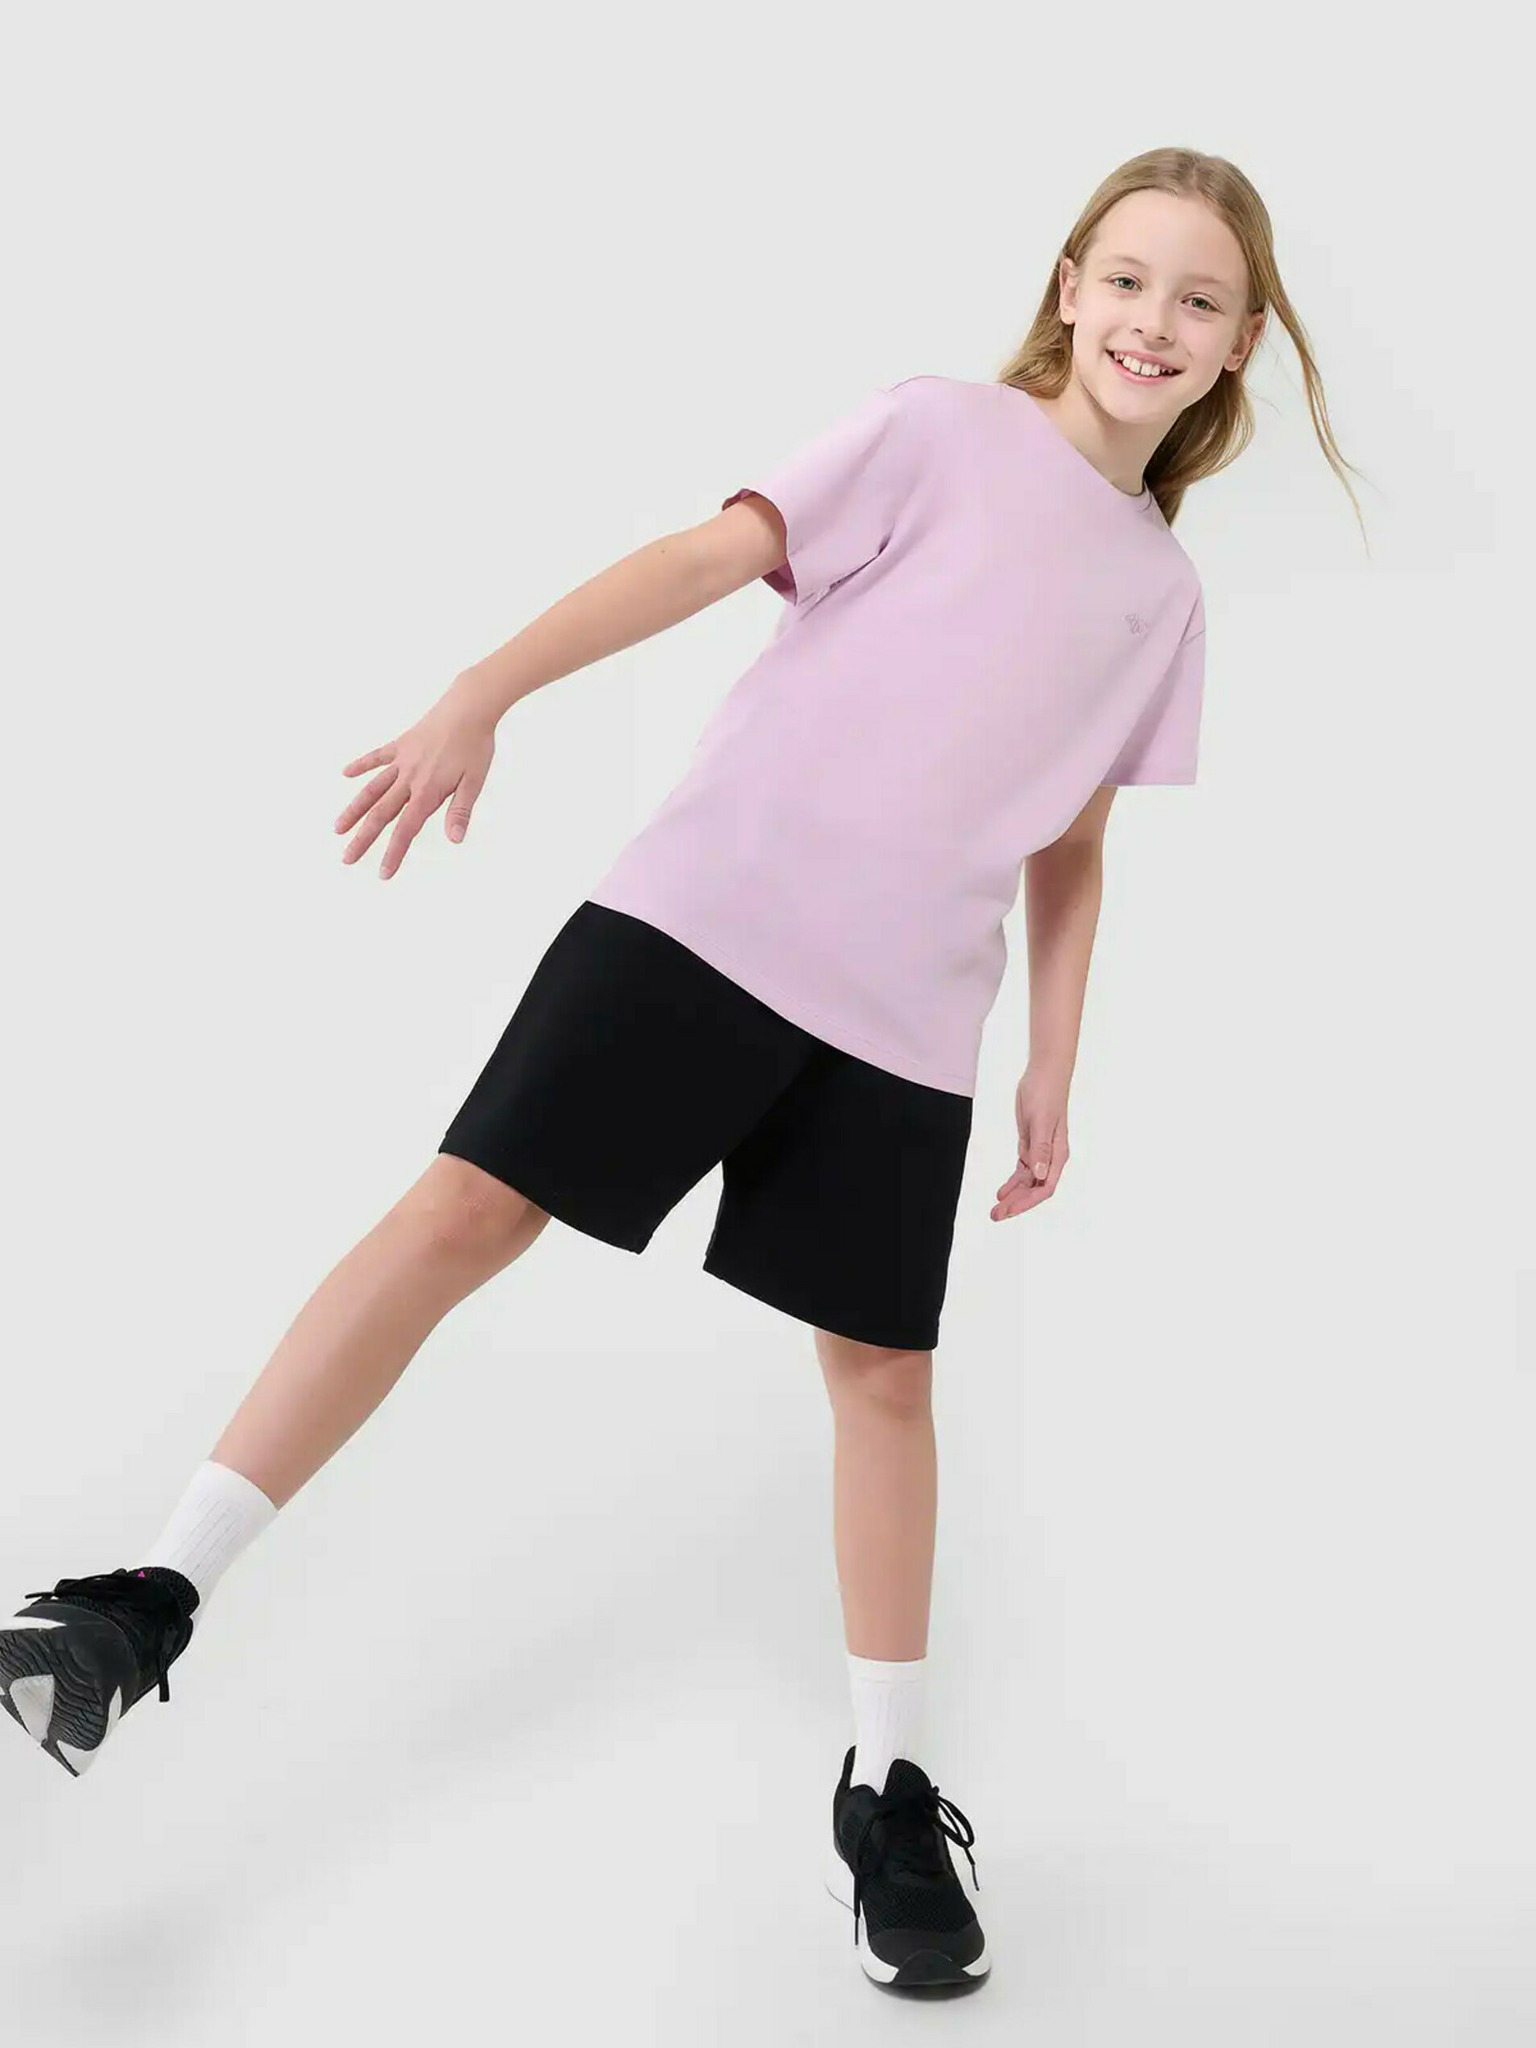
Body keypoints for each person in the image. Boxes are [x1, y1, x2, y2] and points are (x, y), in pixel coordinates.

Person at [1, 147, 1363, 1990]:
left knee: (884, 1378)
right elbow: (709, 555)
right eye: (1126, 279)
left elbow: (1075, 839)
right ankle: (144, 1599)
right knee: (463, 1214)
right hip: (705, 923)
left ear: (1241, 343)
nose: (1153, 321)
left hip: (906, 1024)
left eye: (1198, 300)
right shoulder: (938, 432)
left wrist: (1054, 1061)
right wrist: (485, 689)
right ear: (1068, 286)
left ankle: (887, 1791)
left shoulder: (1160, 591)